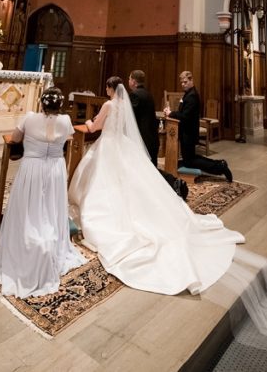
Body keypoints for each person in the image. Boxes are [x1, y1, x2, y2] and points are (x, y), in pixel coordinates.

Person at [69, 77, 245, 295]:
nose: (105, 90)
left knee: (103, 180)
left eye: (106, 87)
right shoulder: (123, 105)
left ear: (110, 88)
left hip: (108, 145)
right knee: (130, 180)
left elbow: (96, 126)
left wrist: (88, 123)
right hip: (122, 145)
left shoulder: (108, 104)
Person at [0, 87, 86, 297]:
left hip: (33, 168)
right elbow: (69, 138)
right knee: (50, 205)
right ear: (59, 105)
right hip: (54, 169)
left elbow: (15, 139)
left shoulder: (29, 118)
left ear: (42, 103)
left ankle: (26, 238)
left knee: (29, 205)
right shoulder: (65, 121)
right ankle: (50, 238)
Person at [128, 70, 188, 200]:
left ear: (133, 81)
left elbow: (130, 118)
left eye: (129, 79)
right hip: (152, 138)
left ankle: (174, 182)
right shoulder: (148, 94)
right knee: (150, 170)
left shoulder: (135, 95)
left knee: (149, 170)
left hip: (143, 140)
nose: (128, 82)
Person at [163, 71, 232, 182]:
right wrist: (171, 112)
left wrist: (171, 114)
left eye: (185, 82)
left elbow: (185, 116)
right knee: (190, 159)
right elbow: (184, 112)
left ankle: (220, 167)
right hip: (186, 132)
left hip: (189, 133)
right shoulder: (188, 94)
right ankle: (219, 164)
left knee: (190, 161)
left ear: (191, 81)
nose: (183, 84)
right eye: (182, 82)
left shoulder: (192, 96)